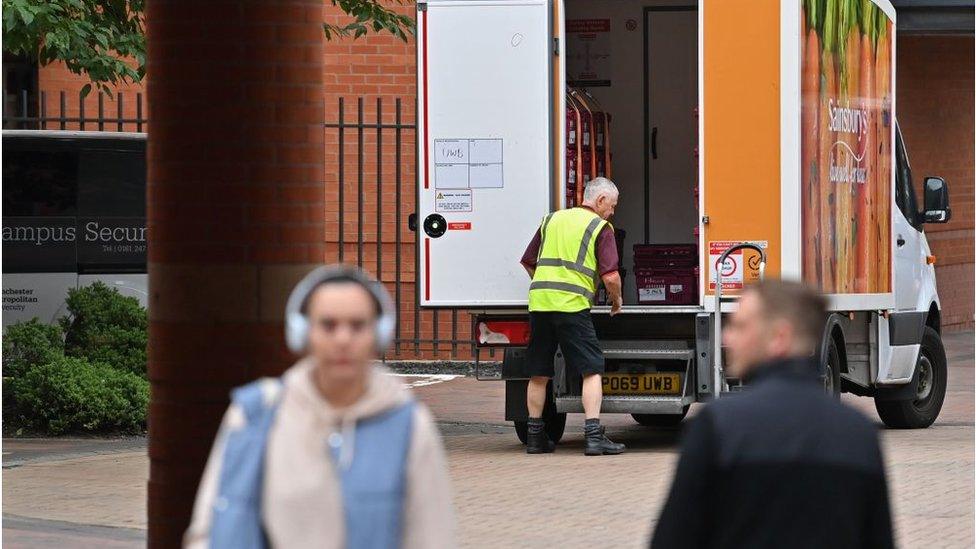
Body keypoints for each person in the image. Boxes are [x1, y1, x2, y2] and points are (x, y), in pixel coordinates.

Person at [184, 266, 455, 548]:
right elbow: (209, 532)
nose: (343, 339)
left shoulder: (409, 425)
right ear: (303, 333)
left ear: (379, 333)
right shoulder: (256, 415)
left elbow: (432, 537)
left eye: (357, 325)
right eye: (328, 325)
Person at [650, 280, 894, 549]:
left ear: (779, 337)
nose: (727, 338)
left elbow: (673, 538)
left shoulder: (719, 426)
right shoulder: (858, 434)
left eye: (741, 326)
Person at [519, 177, 625, 456]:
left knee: (539, 372)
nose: (612, 212)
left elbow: (528, 260)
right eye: (611, 206)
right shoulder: (600, 227)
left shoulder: (550, 220)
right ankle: (593, 436)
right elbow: (611, 276)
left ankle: (535, 437)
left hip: (540, 304)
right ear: (600, 200)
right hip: (572, 305)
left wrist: (548, 284)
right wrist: (617, 300)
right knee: (591, 369)